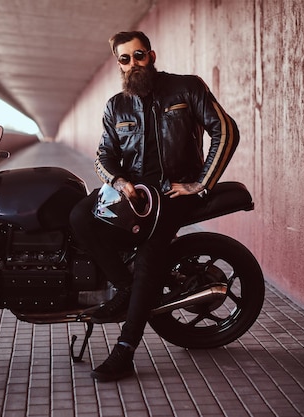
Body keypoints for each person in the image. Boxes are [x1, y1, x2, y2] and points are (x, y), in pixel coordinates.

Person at [69, 31, 239, 382]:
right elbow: (104, 154)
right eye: (125, 59)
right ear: (119, 63)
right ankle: (126, 288)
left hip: (171, 194)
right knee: (79, 217)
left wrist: (200, 183)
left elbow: (226, 130)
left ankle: (126, 349)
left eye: (139, 55)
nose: (133, 63)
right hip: (132, 193)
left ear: (152, 55)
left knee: (150, 257)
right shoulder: (116, 105)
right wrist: (118, 181)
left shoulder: (186, 87)